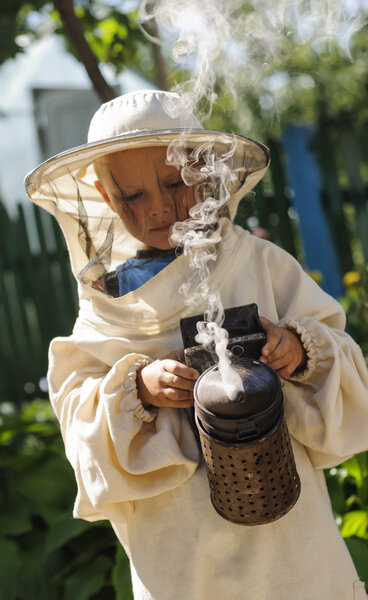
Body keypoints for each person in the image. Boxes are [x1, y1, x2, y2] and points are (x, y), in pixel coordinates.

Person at [25, 89, 368, 600]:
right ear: (102, 193)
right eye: (134, 196)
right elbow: (78, 416)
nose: (161, 207)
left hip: (288, 544)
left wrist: (297, 348)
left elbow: (344, 362)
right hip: (179, 554)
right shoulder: (104, 307)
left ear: (206, 170)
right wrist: (137, 389)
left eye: (174, 182)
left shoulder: (259, 264)